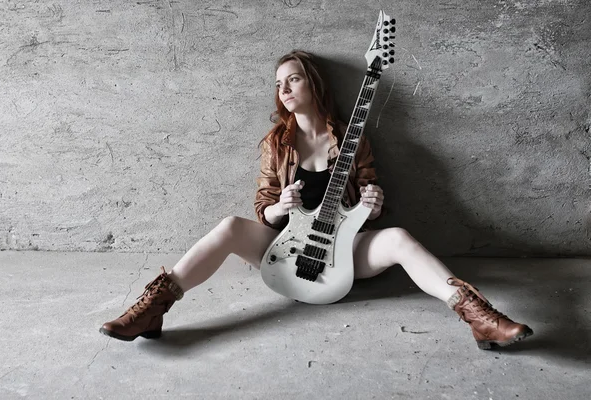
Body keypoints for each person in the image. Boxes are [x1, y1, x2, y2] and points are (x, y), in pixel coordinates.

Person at [100, 50, 533, 350]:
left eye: (294, 78)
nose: (285, 88)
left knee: (399, 236)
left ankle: (480, 318)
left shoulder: (351, 136)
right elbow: (263, 209)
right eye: (278, 83)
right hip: (287, 249)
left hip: (341, 254)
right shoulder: (277, 142)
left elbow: (369, 196)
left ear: (313, 83)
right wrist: (279, 207)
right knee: (231, 226)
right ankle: (153, 309)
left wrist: (373, 202)